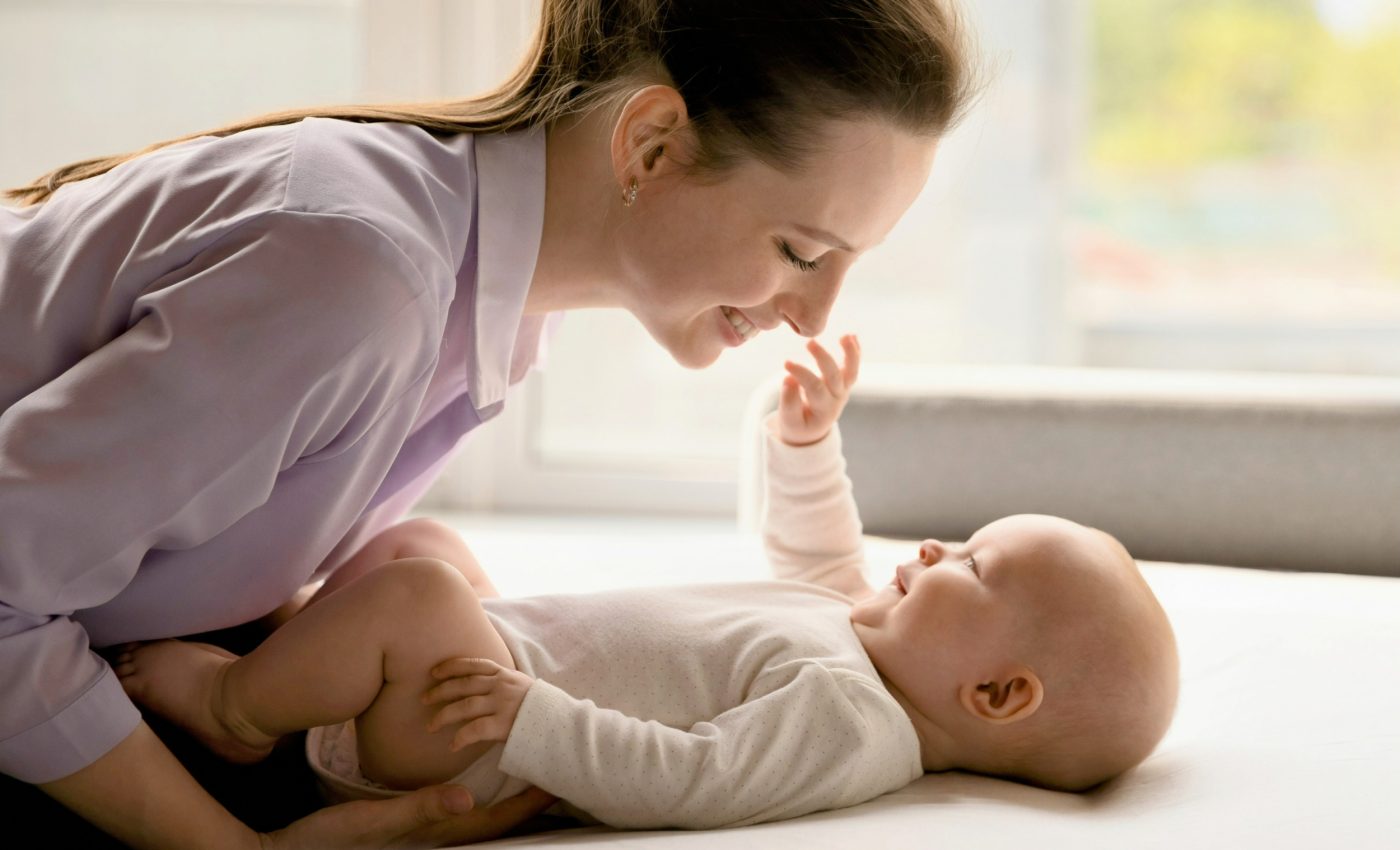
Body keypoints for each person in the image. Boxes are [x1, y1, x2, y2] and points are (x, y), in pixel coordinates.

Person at [0, 0, 984, 846]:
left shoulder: (491, 309)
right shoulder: (362, 281)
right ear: (649, 143)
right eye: (802, 251)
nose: (815, 317)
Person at [114, 337, 1181, 832]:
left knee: (423, 599)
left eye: (972, 563)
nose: (937, 549)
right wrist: (804, 444)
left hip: (472, 731)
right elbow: (814, 556)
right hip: (491, 672)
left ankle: (234, 708)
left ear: (995, 693)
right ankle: (316, 649)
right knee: (427, 551)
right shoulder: (859, 637)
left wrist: (535, 718)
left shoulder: (852, 725)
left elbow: (690, 778)